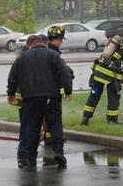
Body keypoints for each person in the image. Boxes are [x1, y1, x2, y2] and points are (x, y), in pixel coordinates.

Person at [7, 34, 73, 169]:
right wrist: (68, 90)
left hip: (30, 98)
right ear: (46, 44)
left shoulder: (23, 57)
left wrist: (11, 93)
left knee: (33, 128)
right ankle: (59, 154)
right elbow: (65, 73)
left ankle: (31, 158)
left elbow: (13, 75)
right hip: (51, 97)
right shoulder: (53, 55)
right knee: (55, 125)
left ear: (33, 44)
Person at [81, 25, 123, 125]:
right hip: (110, 76)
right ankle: (112, 120)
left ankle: (85, 118)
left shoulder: (115, 41)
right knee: (113, 97)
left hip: (98, 72)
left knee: (95, 94)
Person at [9, 34, 39, 168]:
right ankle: (24, 152)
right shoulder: (27, 56)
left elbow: (12, 76)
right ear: (33, 44)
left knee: (25, 123)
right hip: (28, 95)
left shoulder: (21, 55)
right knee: (28, 125)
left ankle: (24, 151)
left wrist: (11, 91)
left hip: (22, 94)